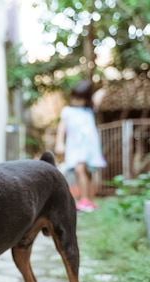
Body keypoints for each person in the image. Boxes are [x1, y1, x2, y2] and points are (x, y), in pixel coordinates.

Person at [54, 80, 107, 212]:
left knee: (86, 171)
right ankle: (85, 199)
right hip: (75, 145)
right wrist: (59, 143)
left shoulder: (89, 110)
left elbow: (99, 96)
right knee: (79, 170)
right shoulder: (67, 111)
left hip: (88, 145)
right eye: (75, 97)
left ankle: (87, 200)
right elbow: (62, 128)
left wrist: (105, 86)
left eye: (80, 98)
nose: (76, 101)